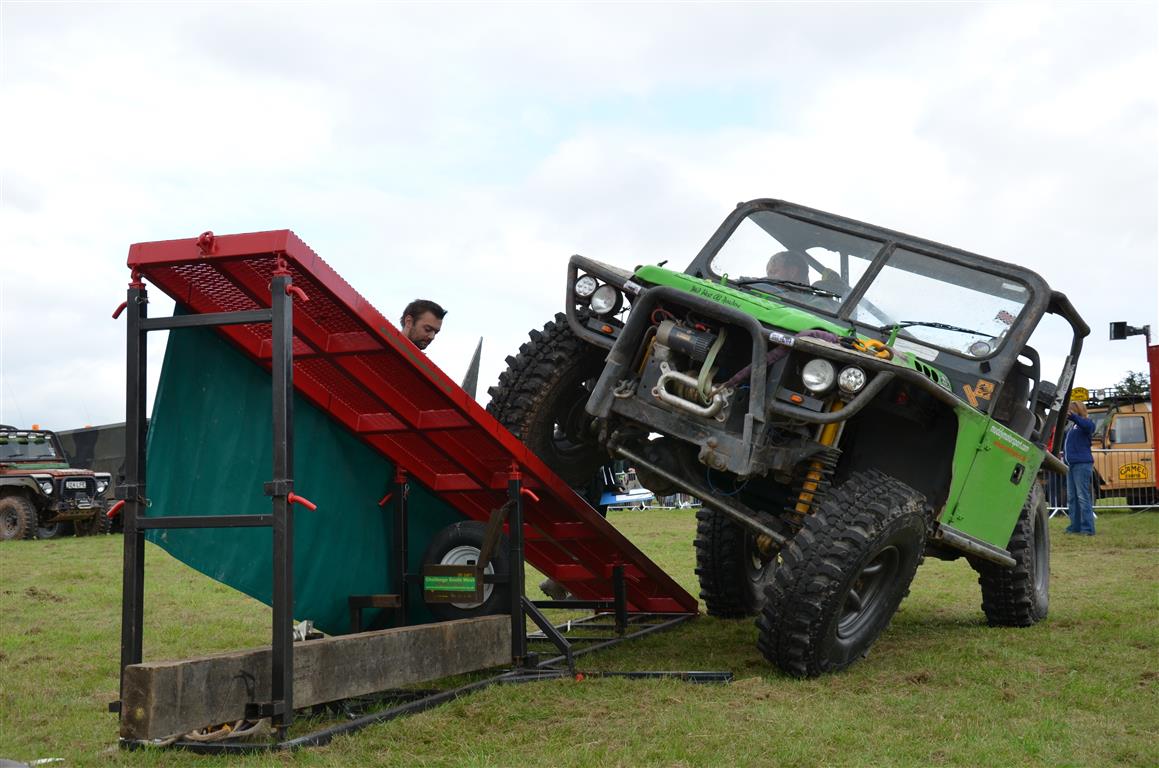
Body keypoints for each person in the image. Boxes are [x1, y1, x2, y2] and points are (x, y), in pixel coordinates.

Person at [1063, 399, 1096, 535]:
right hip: (1071, 464)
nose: (1068, 413)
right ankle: (1074, 526)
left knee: (1082, 497)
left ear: (1077, 411)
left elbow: (1089, 427)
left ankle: (1088, 528)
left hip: (1082, 464)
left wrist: (1074, 417)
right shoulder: (1072, 427)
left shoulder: (1086, 423)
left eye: (1071, 410)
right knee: (1072, 498)